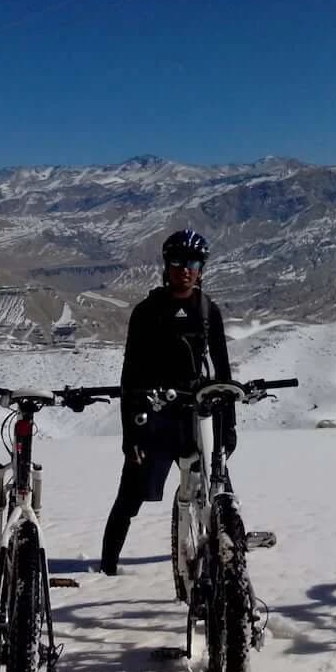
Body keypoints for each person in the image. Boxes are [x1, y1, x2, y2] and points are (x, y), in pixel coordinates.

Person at [100, 228, 236, 576]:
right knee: (130, 497)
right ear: (166, 265)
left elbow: (222, 373)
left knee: (218, 492)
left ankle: (227, 562)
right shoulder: (146, 312)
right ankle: (106, 569)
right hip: (156, 417)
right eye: (177, 261)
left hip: (197, 415)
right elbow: (130, 376)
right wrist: (130, 433)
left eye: (193, 262)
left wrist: (228, 426)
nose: (185, 269)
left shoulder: (208, 310)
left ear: (202, 268)